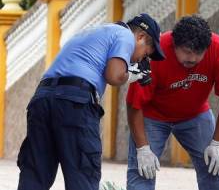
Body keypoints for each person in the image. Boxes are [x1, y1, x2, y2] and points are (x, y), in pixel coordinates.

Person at [17, 13, 165, 190]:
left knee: (35, 173)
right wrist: (130, 75)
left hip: (42, 99)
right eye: (145, 54)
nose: (140, 60)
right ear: (140, 36)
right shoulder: (125, 35)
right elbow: (114, 75)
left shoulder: (96, 31)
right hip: (75, 104)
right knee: (83, 173)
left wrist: (128, 69)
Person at [125, 15, 219, 190]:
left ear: (207, 48)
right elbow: (134, 104)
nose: (191, 58)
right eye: (186, 51)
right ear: (173, 44)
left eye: (198, 53)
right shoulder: (154, 50)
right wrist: (143, 148)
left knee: (214, 167)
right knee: (142, 171)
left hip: (195, 114)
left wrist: (217, 142)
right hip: (153, 116)